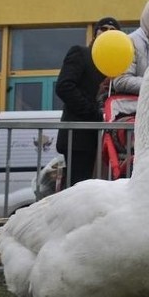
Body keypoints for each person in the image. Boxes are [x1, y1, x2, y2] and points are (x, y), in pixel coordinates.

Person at [55, 16, 121, 186]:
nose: (107, 33)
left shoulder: (118, 63)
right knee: (77, 188)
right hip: (79, 137)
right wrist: (94, 113)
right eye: (103, 29)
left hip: (108, 141)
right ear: (95, 33)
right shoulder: (81, 53)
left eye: (113, 31)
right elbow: (64, 86)